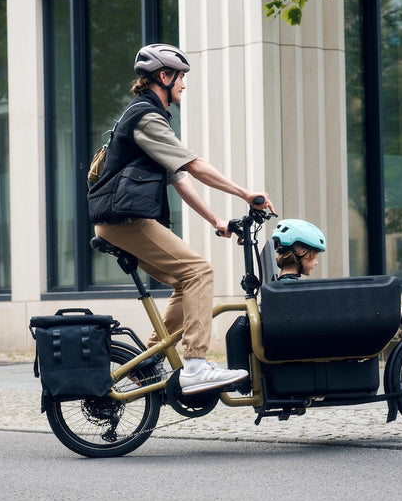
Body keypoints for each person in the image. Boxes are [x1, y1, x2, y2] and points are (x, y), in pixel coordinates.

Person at [88, 43, 276, 395]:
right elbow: (194, 165)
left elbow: (178, 178)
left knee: (184, 281)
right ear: (164, 76)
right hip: (124, 219)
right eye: (181, 77)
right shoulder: (147, 117)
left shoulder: (146, 117)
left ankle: (147, 360)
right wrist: (245, 193)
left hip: (119, 219)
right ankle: (194, 365)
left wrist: (215, 220)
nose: (184, 85)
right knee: (199, 271)